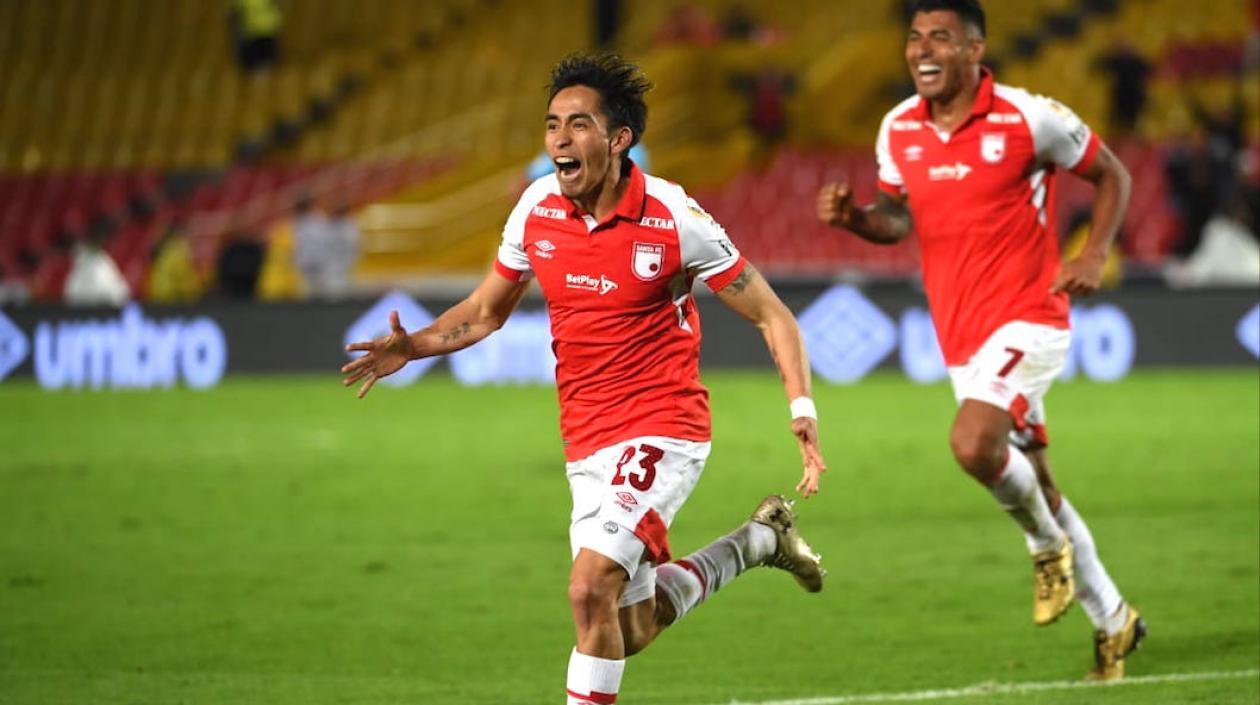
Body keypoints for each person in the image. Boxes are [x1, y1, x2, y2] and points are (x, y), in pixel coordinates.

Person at [344, 52, 828, 705]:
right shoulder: (536, 209)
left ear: (619, 138)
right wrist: (416, 344)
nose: (559, 141)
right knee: (626, 627)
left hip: (665, 425)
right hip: (585, 440)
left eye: (577, 125)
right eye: (552, 125)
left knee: (586, 585)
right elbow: (486, 311)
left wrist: (801, 408)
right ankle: (759, 539)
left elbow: (772, 314)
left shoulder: (673, 217)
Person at [816, 0, 1143, 681]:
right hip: (959, 336)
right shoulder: (898, 128)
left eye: (941, 37)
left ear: (975, 49)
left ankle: (1045, 549)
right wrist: (854, 219)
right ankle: (1115, 620)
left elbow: (1113, 173)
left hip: (1033, 314)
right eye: (914, 37)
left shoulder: (1029, 117)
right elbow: (897, 219)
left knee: (972, 442)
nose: (922, 50)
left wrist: (1093, 253)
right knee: (1039, 483)